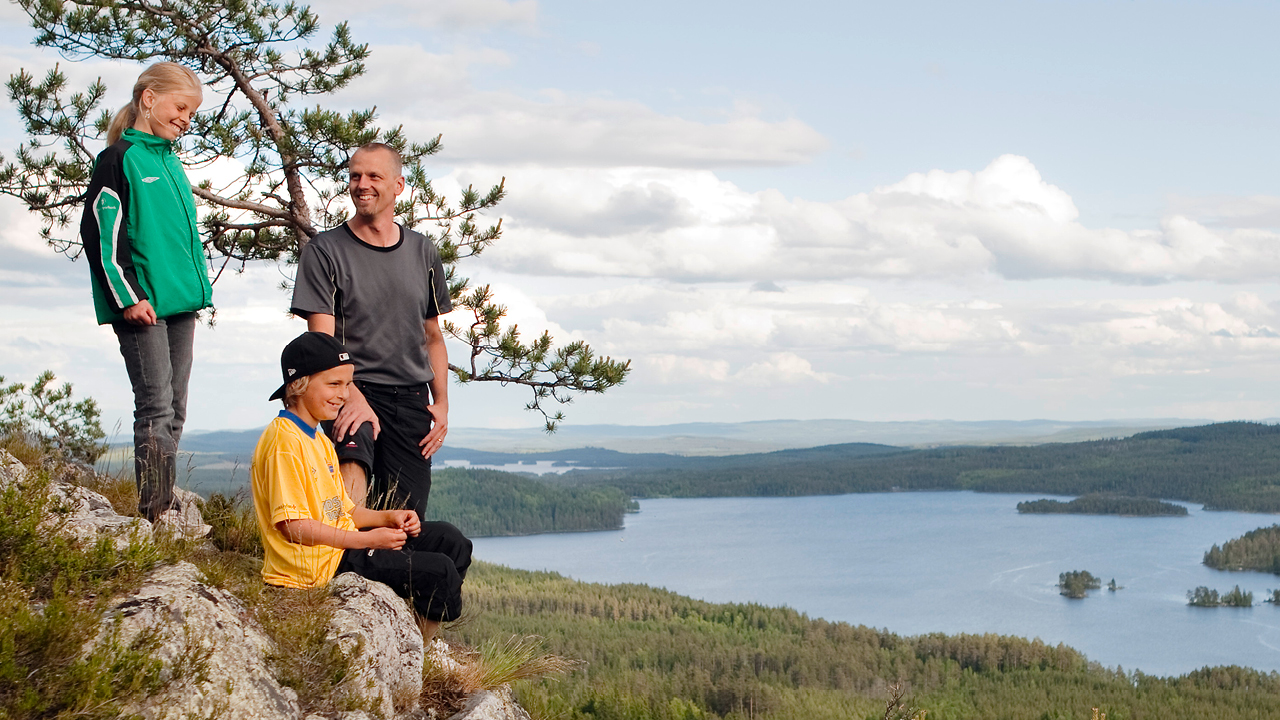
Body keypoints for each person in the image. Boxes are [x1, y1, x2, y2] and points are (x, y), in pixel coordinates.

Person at [250, 332, 471, 638]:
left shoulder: (317, 439)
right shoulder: (284, 441)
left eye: (348, 384)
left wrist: (388, 517)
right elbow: (293, 526)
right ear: (298, 384)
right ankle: (421, 652)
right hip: (317, 567)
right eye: (334, 384)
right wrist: (369, 541)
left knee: (451, 540)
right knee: (439, 572)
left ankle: (418, 639)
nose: (343, 394)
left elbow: (343, 511)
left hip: (339, 548)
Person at [289, 143, 451, 523]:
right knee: (352, 478)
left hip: (410, 399)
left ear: (398, 185)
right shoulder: (325, 250)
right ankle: (344, 568)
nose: (362, 184)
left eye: (373, 176)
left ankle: (384, 579)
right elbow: (321, 347)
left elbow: (432, 335)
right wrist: (351, 396)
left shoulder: (423, 251)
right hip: (348, 388)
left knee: (408, 516)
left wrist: (441, 403)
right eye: (354, 176)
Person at [80, 62, 212, 526]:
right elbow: (101, 234)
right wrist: (129, 297)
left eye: (192, 113)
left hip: (180, 305)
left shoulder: (170, 161)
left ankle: (164, 504)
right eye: (181, 108)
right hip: (143, 306)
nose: (186, 120)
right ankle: (154, 514)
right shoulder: (117, 159)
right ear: (149, 98)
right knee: (155, 408)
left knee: (175, 408)